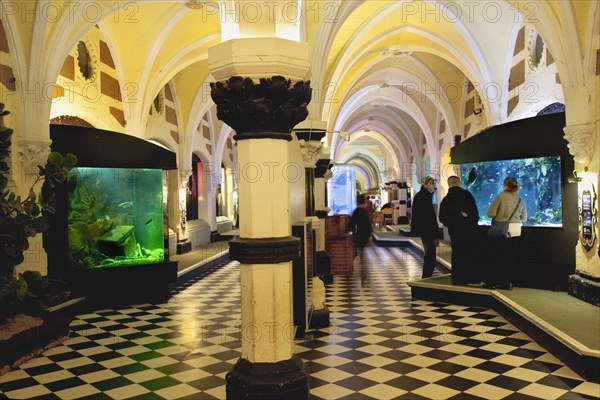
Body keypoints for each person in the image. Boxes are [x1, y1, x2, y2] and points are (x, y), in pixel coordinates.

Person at [485, 177, 527, 290]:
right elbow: (524, 218)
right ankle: (508, 282)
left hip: (501, 229)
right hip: (516, 230)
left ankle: (493, 281)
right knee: (510, 257)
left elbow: (490, 213)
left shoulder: (500, 197)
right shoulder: (520, 200)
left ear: (505, 186)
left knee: (496, 255)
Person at [439, 175, 479, 285]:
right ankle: (470, 277)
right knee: (469, 252)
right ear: (458, 183)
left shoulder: (446, 200)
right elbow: (474, 213)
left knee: (456, 253)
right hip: (469, 230)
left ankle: (457, 278)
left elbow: (442, 218)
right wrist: (469, 221)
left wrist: (452, 223)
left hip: (454, 231)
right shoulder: (465, 195)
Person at [410, 176, 440, 278]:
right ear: (425, 184)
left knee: (429, 253)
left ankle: (427, 275)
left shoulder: (421, 195)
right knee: (430, 254)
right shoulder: (425, 196)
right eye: (431, 183)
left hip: (424, 230)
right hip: (428, 230)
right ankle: (427, 276)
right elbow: (429, 217)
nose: (433, 185)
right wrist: (435, 234)